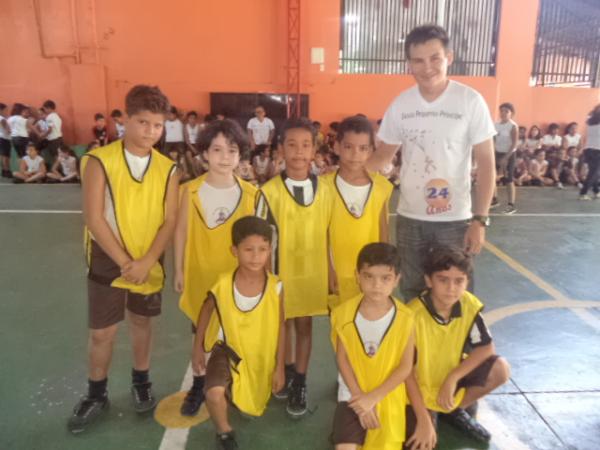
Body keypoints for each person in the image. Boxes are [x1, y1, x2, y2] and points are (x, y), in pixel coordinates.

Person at [67, 85, 179, 433]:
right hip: (107, 256)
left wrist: (147, 261)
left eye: (157, 125)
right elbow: (94, 217)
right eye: (143, 122)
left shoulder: (168, 168)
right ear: (125, 120)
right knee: (102, 333)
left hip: (149, 257)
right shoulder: (100, 161)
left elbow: (170, 219)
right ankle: (96, 392)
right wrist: (126, 261)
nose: (150, 132)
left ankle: (141, 379)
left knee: (142, 323)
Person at [368, 24, 496, 301]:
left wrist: (480, 220)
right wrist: (340, 176)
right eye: (418, 60)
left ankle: (457, 346)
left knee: (456, 296)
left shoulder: (470, 101)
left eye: (435, 58)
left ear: (449, 57)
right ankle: (417, 347)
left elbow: (486, 163)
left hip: (455, 220)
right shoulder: (401, 105)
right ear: (409, 65)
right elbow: (381, 157)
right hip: (410, 219)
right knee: (412, 294)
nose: (427, 68)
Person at [174, 119, 258, 417]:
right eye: (217, 150)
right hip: (200, 276)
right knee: (200, 333)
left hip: (236, 279)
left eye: (232, 150)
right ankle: (199, 384)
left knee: (234, 333)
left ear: (240, 155)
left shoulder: (250, 194)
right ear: (204, 154)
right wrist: (180, 271)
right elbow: (181, 232)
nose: (225, 157)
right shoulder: (190, 191)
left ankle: (234, 383)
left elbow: (256, 241)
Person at [256, 118, 332, 418]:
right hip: (279, 273)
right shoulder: (269, 191)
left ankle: (300, 380)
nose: (299, 152)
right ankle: (284, 370)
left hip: (312, 274)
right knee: (280, 325)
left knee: (304, 326)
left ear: (314, 149)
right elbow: (260, 238)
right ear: (280, 150)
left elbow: (329, 233)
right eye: (292, 145)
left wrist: (331, 269)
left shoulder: (325, 190)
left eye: (306, 145)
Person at [191, 216, 285, 450]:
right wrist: (197, 348)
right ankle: (224, 432)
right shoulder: (223, 283)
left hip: (259, 353)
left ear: (269, 250)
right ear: (234, 250)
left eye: (262, 249)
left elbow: (281, 327)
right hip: (227, 350)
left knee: (252, 402)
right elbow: (206, 310)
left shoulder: (276, 286)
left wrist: (280, 366)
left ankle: (235, 393)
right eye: (248, 250)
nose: (255, 257)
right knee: (213, 393)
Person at [407, 247, 510, 443]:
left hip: (449, 378)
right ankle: (430, 413)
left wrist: (452, 378)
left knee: (500, 369)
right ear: (429, 281)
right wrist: (423, 420)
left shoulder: (468, 304)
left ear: (467, 282)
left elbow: (487, 348)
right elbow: (406, 373)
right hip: (418, 388)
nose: (451, 288)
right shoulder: (412, 315)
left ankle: (453, 410)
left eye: (459, 281)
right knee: (422, 442)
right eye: (443, 280)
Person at [330, 243, 418, 450]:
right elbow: (343, 360)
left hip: (387, 394)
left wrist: (373, 398)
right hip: (352, 394)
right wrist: (362, 404)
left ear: (396, 280)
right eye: (369, 276)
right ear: (357, 276)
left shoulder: (406, 318)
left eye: (385, 278)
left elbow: (405, 367)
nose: (376, 285)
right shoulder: (342, 314)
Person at [325, 115, 393, 308]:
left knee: (370, 327)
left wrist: (386, 270)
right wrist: (328, 269)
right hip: (339, 273)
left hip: (373, 276)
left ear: (371, 150)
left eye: (363, 148)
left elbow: (383, 232)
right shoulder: (323, 187)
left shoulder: (382, 187)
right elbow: (322, 233)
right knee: (342, 330)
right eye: (348, 147)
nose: (355, 154)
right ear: (336, 146)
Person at [491, 103, 518, 214]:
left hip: (509, 154)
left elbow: (514, 144)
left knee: (508, 180)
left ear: (511, 113)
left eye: (506, 111)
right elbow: (493, 140)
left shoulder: (513, 126)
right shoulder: (495, 124)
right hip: (497, 153)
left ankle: (511, 205)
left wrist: (505, 158)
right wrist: (493, 153)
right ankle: (495, 200)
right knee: (492, 177)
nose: (503, 113)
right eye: (501, 111)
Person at [579, 104, 600, 200]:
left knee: (593, 171)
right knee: (594, 172)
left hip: (588, 149)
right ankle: (583, 193)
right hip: (597, 150)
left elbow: (584, 134)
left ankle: (596, 191)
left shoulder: (589, 119)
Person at [41, 100, 63, 165]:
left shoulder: (49, 117)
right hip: (59, 138)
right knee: (60, 155)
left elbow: (50, 129)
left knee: (56, 156)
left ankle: (59, 169)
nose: (45, 111)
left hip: (53, 139)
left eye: (45, 109)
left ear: (49, 108)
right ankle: (62, 170)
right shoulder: (57, 116)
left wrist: (43, 135)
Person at [0, 103, 11, 178]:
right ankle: (6, 170)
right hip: (3, 138)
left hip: (4, 138)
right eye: (5, 110)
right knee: (5, 155)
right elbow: (7, 130)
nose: (6, 111)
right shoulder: (2, 118)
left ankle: (5, 170)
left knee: (5, 155)